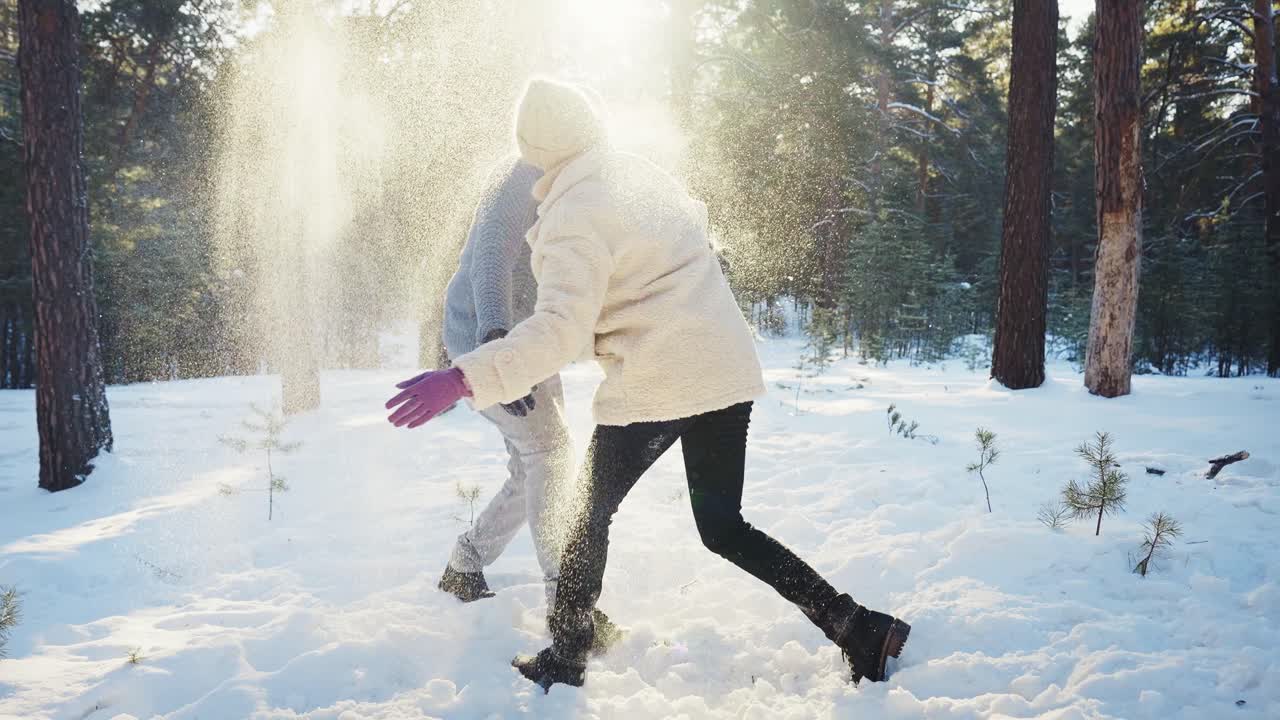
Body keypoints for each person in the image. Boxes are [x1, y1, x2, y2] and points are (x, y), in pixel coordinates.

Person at [386, 78, 910, 691]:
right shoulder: (642, 176)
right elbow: (674, 253)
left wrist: (463, 375)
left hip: (660, 380)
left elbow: (558, 329)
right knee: (723, 528)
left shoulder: (570, 216)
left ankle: (566, 655)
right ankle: (857, 626)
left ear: (534, 148)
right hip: (724, 370)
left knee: (585, 513)